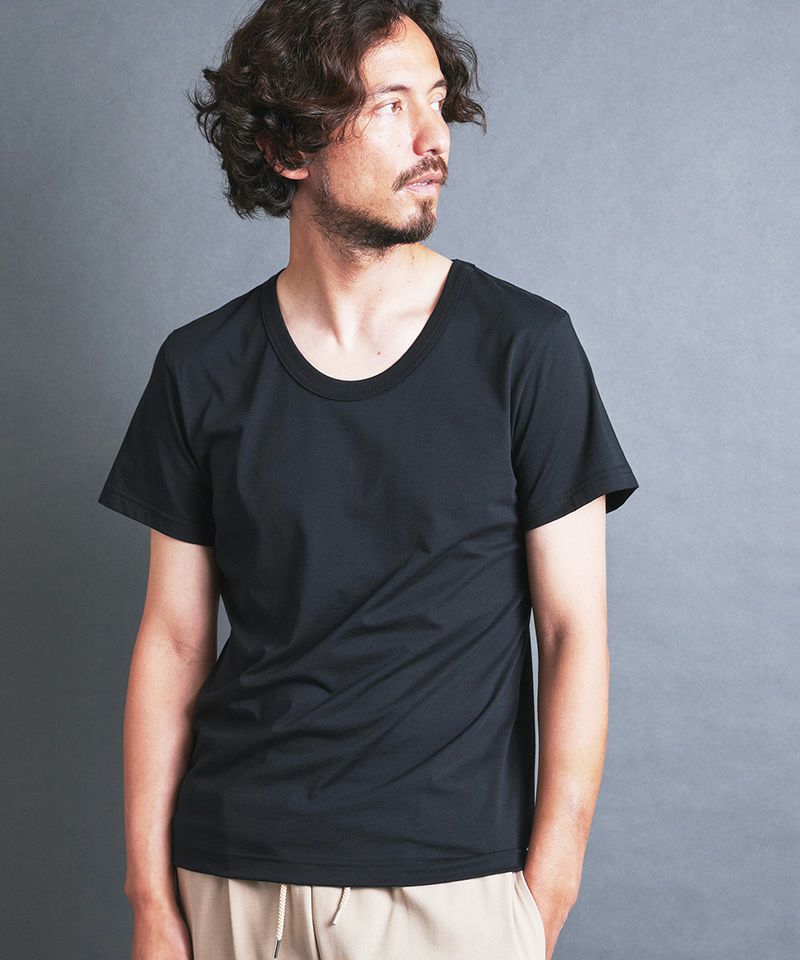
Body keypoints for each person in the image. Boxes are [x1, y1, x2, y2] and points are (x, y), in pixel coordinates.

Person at [97, 2, 639, 959]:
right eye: (390, 105)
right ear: (287, 147)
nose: (435, 139)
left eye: (435, 99)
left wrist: (543, 897)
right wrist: (151, 900)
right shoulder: (200, 367)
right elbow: (174, 640)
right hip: (232, 879)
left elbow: (572, 633)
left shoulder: (526, 349)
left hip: (451, 891)